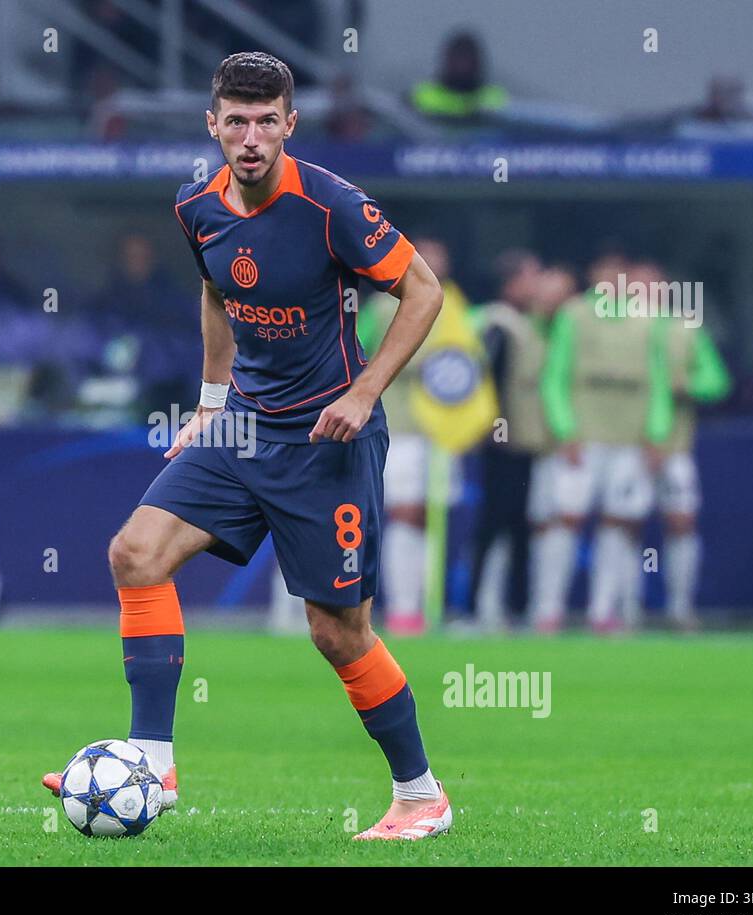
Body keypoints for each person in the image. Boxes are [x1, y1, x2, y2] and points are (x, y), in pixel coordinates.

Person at [40, 52, 450, 840]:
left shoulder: (332, 206)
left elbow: (422, 290)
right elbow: (216, 292)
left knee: (337, 631)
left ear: (290, 124)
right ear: (213, 124)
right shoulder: (196, 207)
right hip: (244, 426)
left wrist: (364, 395)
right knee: (136, 553)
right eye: (237, 121)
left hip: (328, 441)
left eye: (267, 122)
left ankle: (421, 793)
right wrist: (209, 403)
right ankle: (153, 760)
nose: (252, 137)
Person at [533, 251, 674, 633]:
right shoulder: (575, 315)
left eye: (619, 271)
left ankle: (602, 612)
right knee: (566, 520)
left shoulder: (646, 321)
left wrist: (657, 433)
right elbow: (555, 378)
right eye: (604, 270)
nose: (611, 277)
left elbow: (658, 383)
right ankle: (548, 610)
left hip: (629, 440)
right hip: (584, 438)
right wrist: (566, 430)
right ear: (594, 274)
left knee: (619, 524)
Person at [358, 237, 471, 636]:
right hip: (397, 426)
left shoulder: (455, 308)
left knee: (433, 516)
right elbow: (357, 355)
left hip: (440, 432)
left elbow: (467, 370)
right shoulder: (380, 306)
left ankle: (431, 606)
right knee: (403, 513)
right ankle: (403, 609)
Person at [632, 261, 731, 631]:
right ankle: (621, 608)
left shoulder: (684, 329)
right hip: (625, 444)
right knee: (625, 523)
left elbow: (717, 380)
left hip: (674, 446)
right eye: (638, 285)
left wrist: (687, 384)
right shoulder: (612, 329)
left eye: (653, 284)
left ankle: (679, 606)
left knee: (681, 521)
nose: (645, 292)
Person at [467, 250, 547, 630]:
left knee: (517, 525)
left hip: (525, 442)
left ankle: (514, 607)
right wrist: (496, 427)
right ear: (513, 282)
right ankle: (474, 607)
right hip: (505, 444)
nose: (538, 285)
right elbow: (490, 379)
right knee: (493, 523)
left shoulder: (527, 323)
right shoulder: (499, 323)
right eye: (532, 276)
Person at [411, 31, 507, 121]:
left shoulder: (496, 98)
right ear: (447, 61)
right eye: (458, 59)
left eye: (467, 59)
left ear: (478, 63)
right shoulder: (421, 97)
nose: (462, 66)